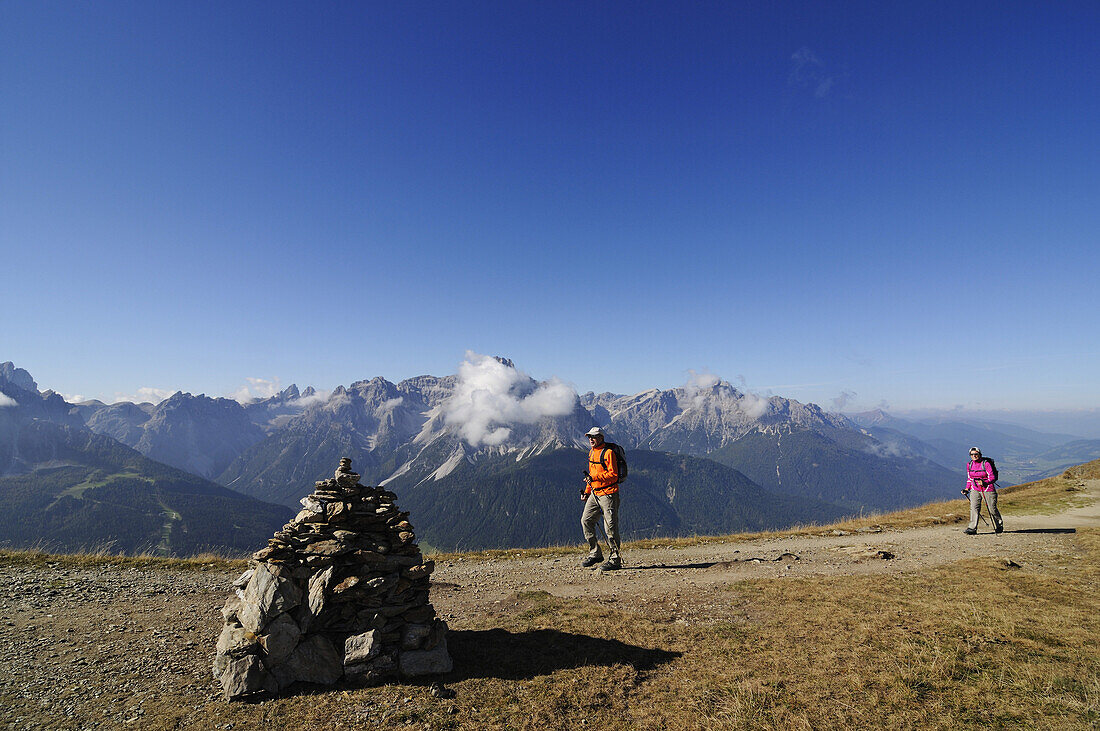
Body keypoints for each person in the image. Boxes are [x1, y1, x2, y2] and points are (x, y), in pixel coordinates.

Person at [580, 427, 622, 570]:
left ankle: (615, 559)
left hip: (609, 494)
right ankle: (595, 553)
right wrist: (586, 492)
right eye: (589, 437)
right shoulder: (592, 452)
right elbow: (590, 476)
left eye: (594, 437)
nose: (591, 439)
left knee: (610, 526)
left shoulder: (608, 453)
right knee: (586, 520)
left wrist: (594, 478)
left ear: (601, 438)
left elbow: (614, 475)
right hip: (594, 493)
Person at [964, 447, 1003, 535]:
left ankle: (999, 525)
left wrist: (985, 482)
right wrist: (967, 489)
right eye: (972, 454)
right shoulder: (969, 464)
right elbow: (970, 478)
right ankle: (972, 528)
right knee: (974, 508)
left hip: (987, 488)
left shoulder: (986, 464)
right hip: (975, 488)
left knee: (992, 508)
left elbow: (992, 477)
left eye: (976, 454)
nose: (974, 456)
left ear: (980, 454)